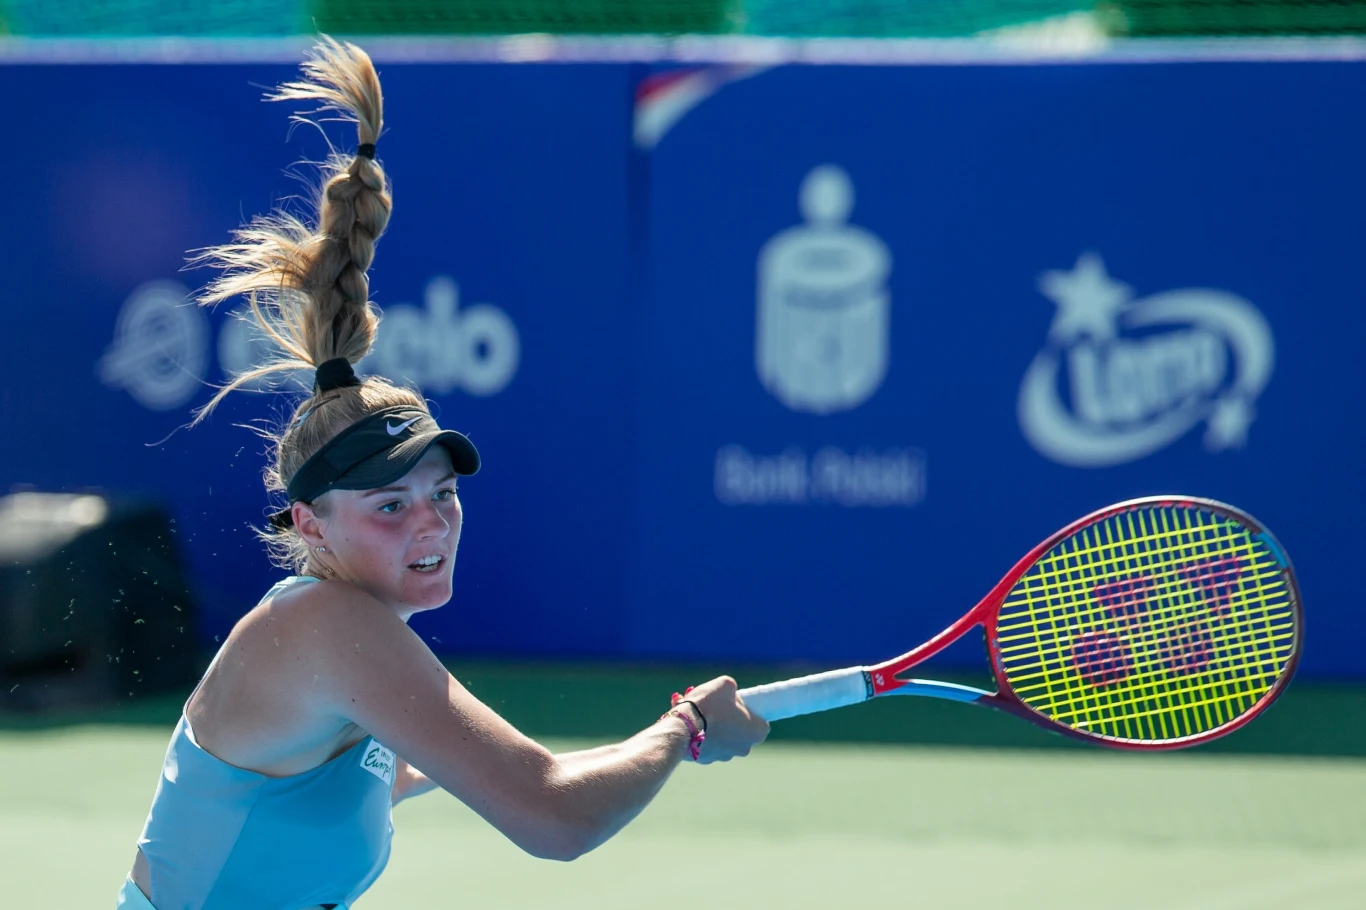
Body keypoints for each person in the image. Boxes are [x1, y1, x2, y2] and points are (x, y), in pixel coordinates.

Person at [116, 37, 769, 910]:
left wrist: (649, 743)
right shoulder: (324, 627)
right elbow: (554, 817)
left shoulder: (341, 646)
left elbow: (487, 778)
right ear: (310, 525)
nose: (431, 521)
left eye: (442, 493)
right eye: (390, 505)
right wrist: (682, 730)